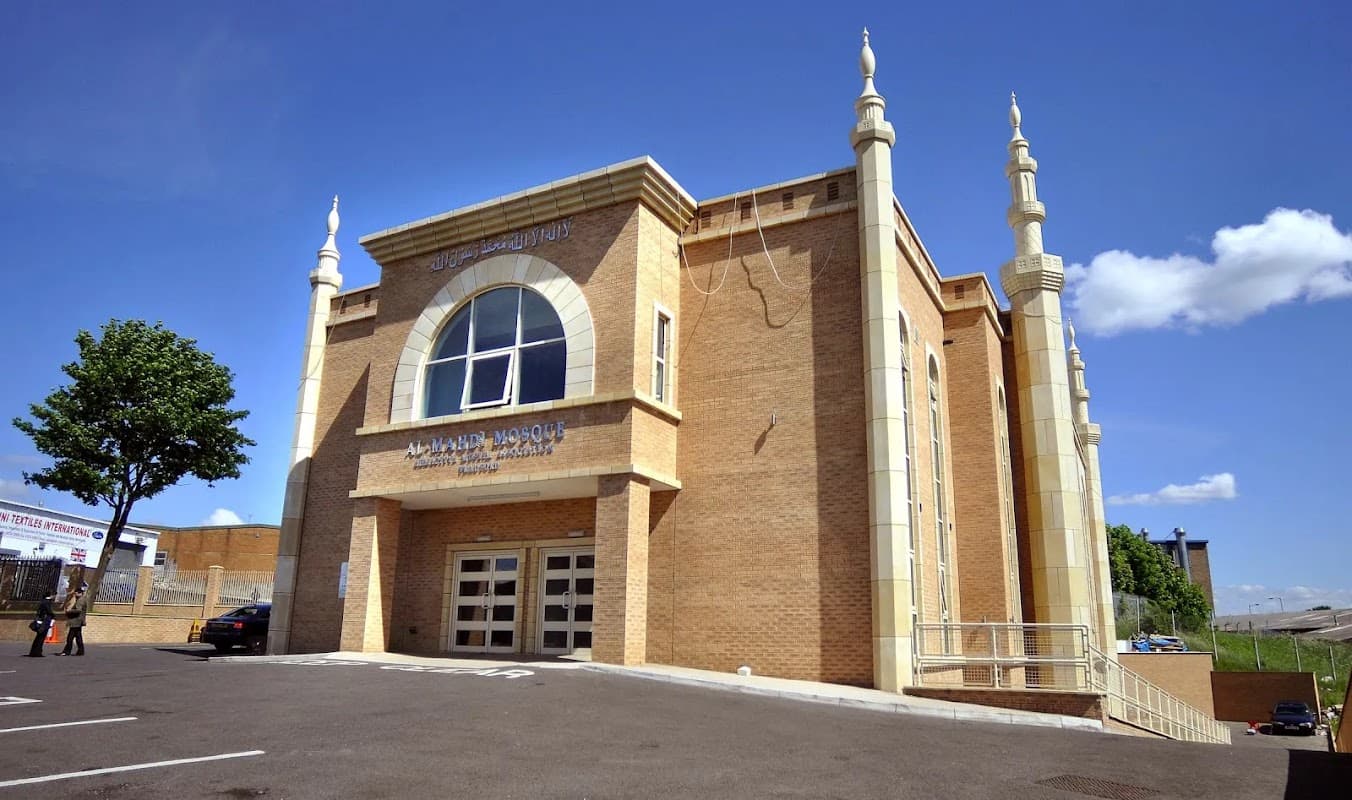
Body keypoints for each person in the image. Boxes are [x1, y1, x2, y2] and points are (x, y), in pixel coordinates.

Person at [57, 584, 88, 656]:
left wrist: (69, 611)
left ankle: (66, 651)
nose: (75, 595)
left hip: (76, 621)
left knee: (70, 638)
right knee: (78, 637)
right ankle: (80, 651)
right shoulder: (82, 599)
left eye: (76, 593)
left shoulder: (80, 601)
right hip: (79, 621)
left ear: (79, 593)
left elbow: (78, 610)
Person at [27, 592, 55, 657]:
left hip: (41, 620)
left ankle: (34, 652)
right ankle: (37, 652)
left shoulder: (43, 601)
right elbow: (49, 611)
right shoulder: (47, 602)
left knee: (39, 637)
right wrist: (53, 616)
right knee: (41, 637)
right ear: (51, 595)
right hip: (45, 621)